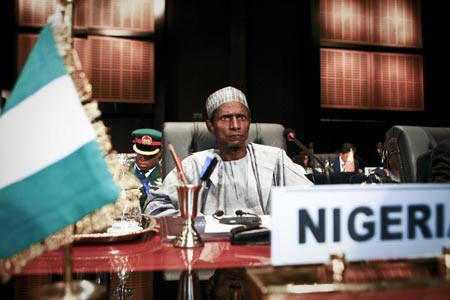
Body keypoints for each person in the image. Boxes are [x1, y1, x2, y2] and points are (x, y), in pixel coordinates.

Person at [144, 86, 313, 216]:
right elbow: (154, 206)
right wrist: (192, 221)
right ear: (211, 126)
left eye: (241, 117)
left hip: (264, 249)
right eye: (225, 118)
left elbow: (312, 199)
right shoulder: (195, 165)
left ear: (249, 122)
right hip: (210, 252)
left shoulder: (275, 159)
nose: (235, 125)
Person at [129, 128, 164, 209]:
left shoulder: (167, 174)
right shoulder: (123, 172)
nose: (142, 158)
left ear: (160, 153)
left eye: (148, 155)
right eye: (139, 153)